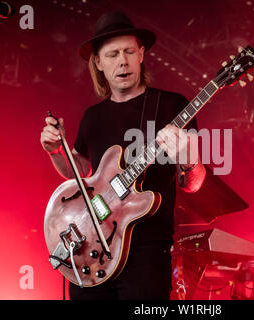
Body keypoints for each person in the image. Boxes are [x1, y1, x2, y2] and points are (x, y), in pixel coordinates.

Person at [40, 11, 206, 300]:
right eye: (113, 54)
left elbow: (194, 184)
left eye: (129, 51)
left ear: (141, 54)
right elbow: (76, 173)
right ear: (99, 63)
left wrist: (188, 158)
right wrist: (56, 150)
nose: (122, 61)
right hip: (89, 250)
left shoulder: (171, 107)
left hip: (146, 254)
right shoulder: (93, 117)